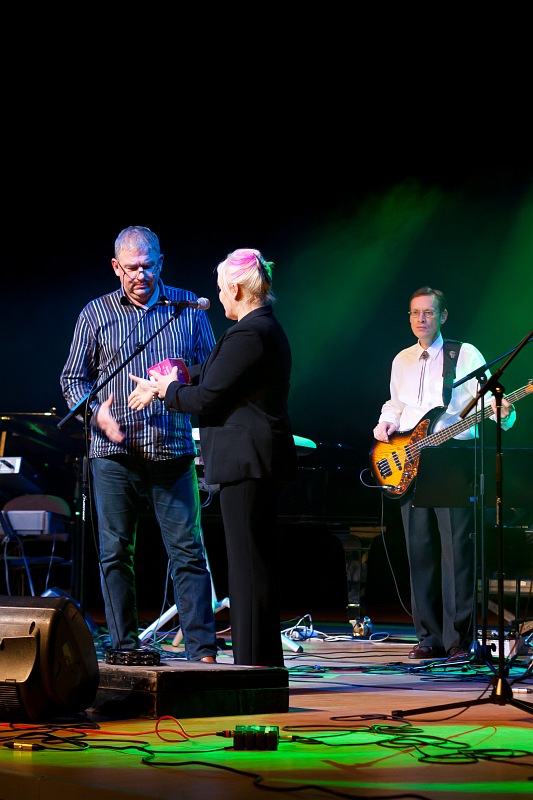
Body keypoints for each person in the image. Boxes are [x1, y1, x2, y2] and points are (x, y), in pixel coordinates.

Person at [128, 247, 298, 667]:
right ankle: (259, 664)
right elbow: (209, 376)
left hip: (248, 462)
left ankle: (253, 667)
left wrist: (166, 391)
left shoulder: (250, 334)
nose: (219, 296)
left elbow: (206, 397)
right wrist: (168, 382)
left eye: (222, 289)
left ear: (236, 289)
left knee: (248, 570)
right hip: (254, 460)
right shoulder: (257, 329)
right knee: (252, 567)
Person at [60, 225, 218, 662]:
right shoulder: (96, 313)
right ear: (116, 267)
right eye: (131, 268)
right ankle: (124, 649)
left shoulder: (187, 307)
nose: (140, 275)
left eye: (148, 266)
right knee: (115, 553)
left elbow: (213, 370)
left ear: (161, 263)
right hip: (114, 453)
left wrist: (179, 381)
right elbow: (73, 379)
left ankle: (203, 651)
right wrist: (96, 412)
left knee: (188, 551)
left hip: (171, 448)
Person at [372, 286, 516, 661]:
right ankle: (428, 637)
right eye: (415, 313)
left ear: (443, 316)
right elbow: (395, 403)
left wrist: (504, 411)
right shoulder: (401, 359)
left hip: (452, 456)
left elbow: (489, 398)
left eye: (429, 312)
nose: (421, 319)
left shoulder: (464, 354)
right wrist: (386, 422)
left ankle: (458, 640)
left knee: (458, 550)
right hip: (408, 457)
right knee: (419, 549)